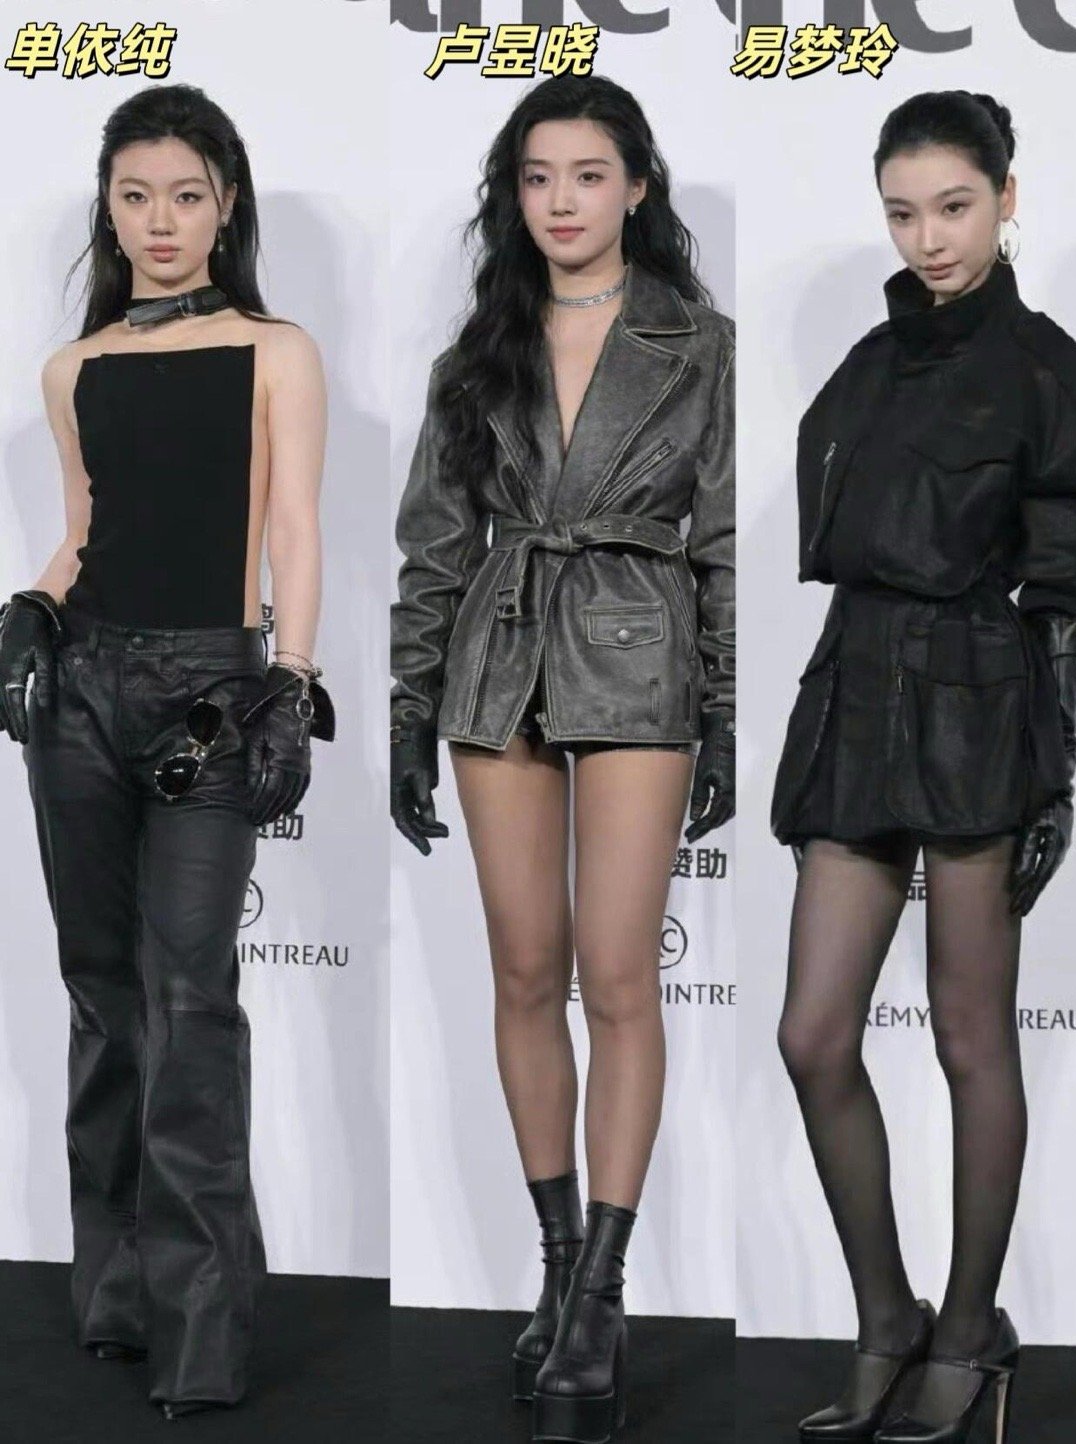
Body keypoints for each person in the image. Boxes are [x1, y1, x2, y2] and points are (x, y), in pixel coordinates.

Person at [390, 73, 734, 1444]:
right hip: (498, 658)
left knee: (618, 977)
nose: (561, 202)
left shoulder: (700, 346)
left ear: (637, 188)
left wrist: (722, 709)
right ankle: (557, 1264)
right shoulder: (476, 353)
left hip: (641, 652)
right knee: (525, 971)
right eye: (537, 178)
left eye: (588, 175)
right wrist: (409, 708)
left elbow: (721, 543)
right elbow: (433, 547)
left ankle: (602, 1290)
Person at [0, 83, 333, 1419]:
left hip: (209, 692)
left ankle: (203, 1332)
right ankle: (117, 1294)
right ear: (108, 208)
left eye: (186, 195)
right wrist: (28, 610)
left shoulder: (276, 350)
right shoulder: (72, 369)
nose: (160, 220)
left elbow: (294, 527)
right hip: (80, 689)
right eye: (136, 196)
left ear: (225, 206)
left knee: (190, 1000)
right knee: (101, 997)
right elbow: (88, 531)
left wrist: (291, 682)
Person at [772, 90, 1076, 1444]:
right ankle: (885, 1316)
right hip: (858, 684)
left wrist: (1058, 767)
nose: (929, 237)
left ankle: (968, 1329)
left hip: (978, 703)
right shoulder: (867, 361)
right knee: (812, 1033)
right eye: (902, 213)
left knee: (968, 1036)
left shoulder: (1048, 370)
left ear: (1007, 199)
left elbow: (1064, 590)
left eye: (954, 206)